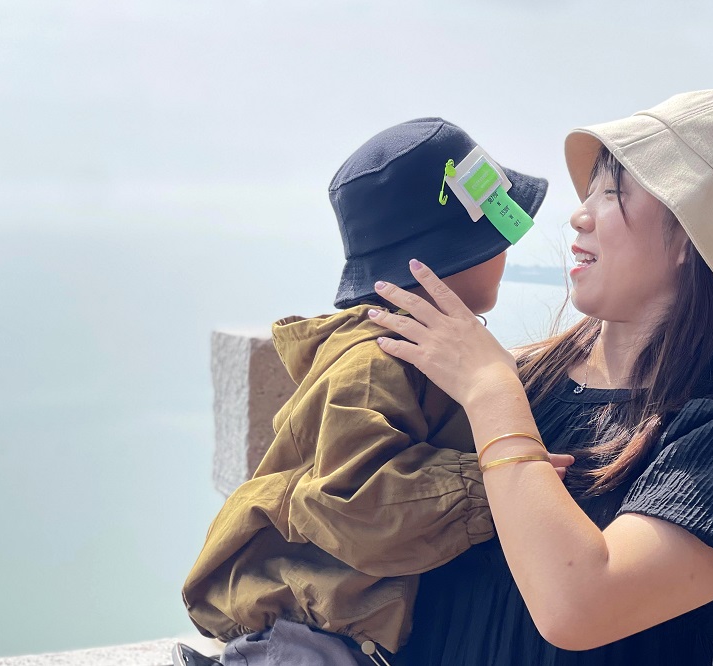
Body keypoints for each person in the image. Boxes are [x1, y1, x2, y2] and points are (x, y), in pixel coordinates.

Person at [368, 90, 713, 666]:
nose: (578, 215)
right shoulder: (519, 383)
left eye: (611, 193)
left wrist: (489, 392)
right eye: (588, 193)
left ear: (691, 234)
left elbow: (578, 605)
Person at [181, 117, 557, 665]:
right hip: (306, 636)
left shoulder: (425, 352)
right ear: (446, 259)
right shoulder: (375, 363)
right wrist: (500, 485)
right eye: (495, 237)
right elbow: (352, 498)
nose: (506, 251)